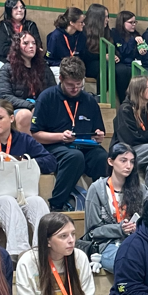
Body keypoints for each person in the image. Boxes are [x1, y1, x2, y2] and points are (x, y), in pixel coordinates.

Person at [0, 100, 55, 257]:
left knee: (38, 202)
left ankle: (42, 252)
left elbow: (50, 162)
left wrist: (21, 160)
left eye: (0, 118)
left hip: (20, 193)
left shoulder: (23, 139)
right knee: (8, 202)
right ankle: (18, 253)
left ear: (11, 118)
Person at [31, 57, 108, 211]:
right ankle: (57, 204)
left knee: (102, 157)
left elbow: (99, 131)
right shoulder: (47, 97)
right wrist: (60, 136)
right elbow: (35, 134)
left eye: (79, 85)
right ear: (60, 79)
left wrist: (99, 136)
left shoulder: (89, 101)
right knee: (74, 157)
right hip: (54, 146)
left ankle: (101, 204)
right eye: (70, 85)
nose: (75, 89)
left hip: (84, 145)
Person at [82, 142, 145, 272]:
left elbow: (147, 223)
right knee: (128, 263)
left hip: (136, 240)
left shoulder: (141, 189)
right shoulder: (97, 189)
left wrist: (136, 227)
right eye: (123, 161)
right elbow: (92, 231)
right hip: (107, 243)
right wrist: (119, 229)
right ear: (111, 161)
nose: (128, 166)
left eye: (132, 162)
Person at [0, 29, 54, 134]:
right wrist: (30, 106)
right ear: (17, 46)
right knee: (25, 114)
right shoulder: (7, 68)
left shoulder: (44, 67)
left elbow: (52, 91)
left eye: (34, 43)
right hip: (17, 110)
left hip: (40, 107)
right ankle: (26, 148)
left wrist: (40, 106)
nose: (31, 46)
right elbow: (5, 95)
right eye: (26, 43)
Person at [0, 0, 39, 69]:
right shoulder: (3, 26)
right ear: (9, 10)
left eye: (22, 8)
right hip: (8, 60)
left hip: (30, 60)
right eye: (16, 8)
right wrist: (23, 52)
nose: (20, 10)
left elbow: (38, 45)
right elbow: (3, 49)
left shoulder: (31, 25)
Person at [111, 9, 144, 104]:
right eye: (131, 22)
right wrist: (133, 40)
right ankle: (124, 101)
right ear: (122, 23)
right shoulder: (115, 33)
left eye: (135, 22)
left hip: (134, 63)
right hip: (120, 62)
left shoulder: (137, 35)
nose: (134, 24)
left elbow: (143, 56)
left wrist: (143, 52)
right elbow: (123, 52)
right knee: (122, 71)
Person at [81, 2, 110, 81]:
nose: (107, 20)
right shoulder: (83, 32)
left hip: (103, 62)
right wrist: (102, 56)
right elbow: (84, 55)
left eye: (108, 17)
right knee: (105, 68)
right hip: (88, 65)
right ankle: (100, 93)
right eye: (105, 17)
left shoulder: (106, 31)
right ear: (97, 18)